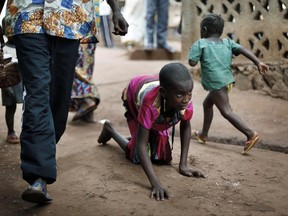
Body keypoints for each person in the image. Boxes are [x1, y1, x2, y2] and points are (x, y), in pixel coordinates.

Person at [0, 0, 128, 204]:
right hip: (27, 15)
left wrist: (115, 9)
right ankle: (38, 177)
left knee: (59, 97)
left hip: (70, 19)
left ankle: (43, 149)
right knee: (37, 93)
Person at [98, 63, 205, 201]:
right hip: (135, 92)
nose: (186, 99)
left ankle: (145, 132)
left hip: (162, 99)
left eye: (189, 93)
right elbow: (142, 145)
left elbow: (186, 125)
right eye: (180, 95)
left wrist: (183, 165)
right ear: (163, 92)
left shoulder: (183, 98)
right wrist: (156, 184)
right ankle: (110, 129)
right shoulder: (150, 104)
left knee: (162, 156)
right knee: (137, 153)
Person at [187, 13, 269, 155]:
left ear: (204, 30)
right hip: (226, 82)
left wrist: (193, 51)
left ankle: (250, 134)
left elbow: (192, 62)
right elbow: (243, 50)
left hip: (217, 84)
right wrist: (258, 62)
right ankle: (204, 134)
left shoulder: (201, 44)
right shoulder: (227, 42)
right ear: (220, 30)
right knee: (207, 105)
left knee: (226, 111)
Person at [1, 36, 23, 144]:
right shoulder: (3, 49)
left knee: (28, 105)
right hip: (8, 81)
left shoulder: (24, 47)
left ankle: (27, 130)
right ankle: (11, 131)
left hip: (23, 80)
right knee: (10, 106)